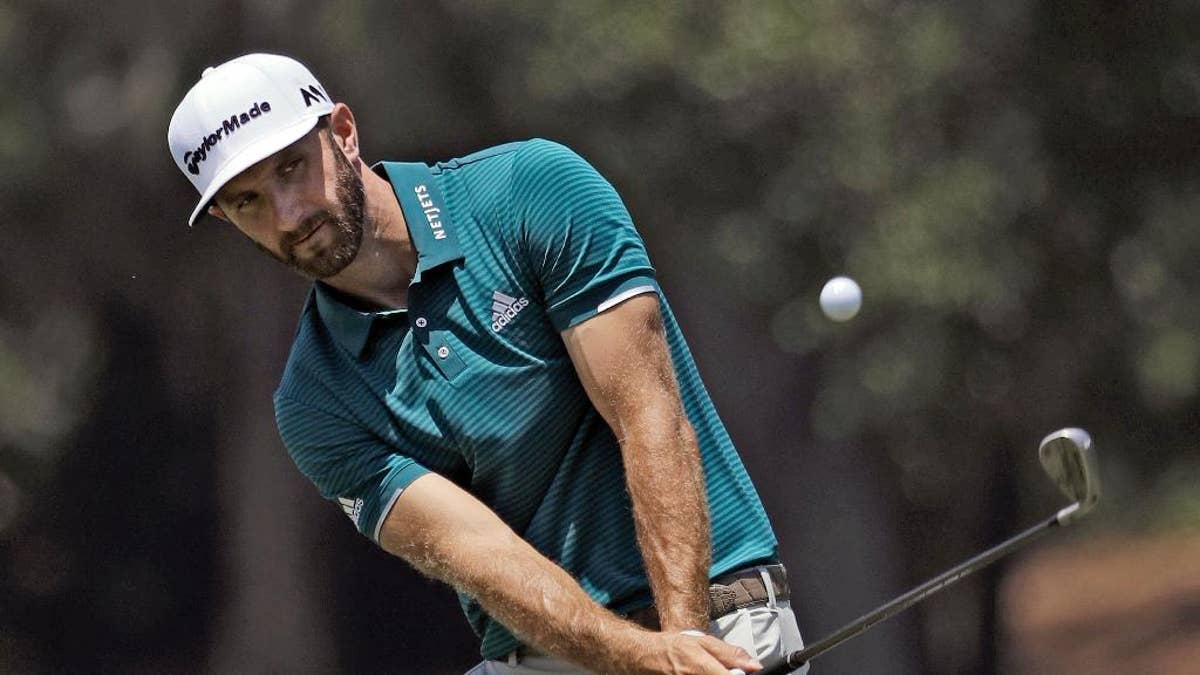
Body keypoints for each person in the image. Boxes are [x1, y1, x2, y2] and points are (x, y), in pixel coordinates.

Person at [167, 53, 807, 675]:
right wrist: (645, 660)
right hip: (548, 657)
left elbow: (648, 417)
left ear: (344, 132)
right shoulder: (314, 402)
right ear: (225, 218)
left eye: (291, 169)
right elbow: (478, 554)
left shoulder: (531, 190)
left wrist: (684, 643)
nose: (288, 215)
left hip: (721, 621)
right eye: (249, 201)